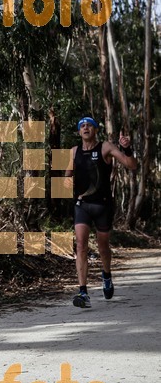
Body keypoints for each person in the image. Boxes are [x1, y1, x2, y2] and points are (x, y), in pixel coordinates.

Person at [65, 116, 137, 308]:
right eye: (82, 126)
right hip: (82, 205)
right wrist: (66, 183)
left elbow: (132, 165)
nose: (85, 127)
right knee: (81, 245)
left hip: (103, 206)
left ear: (96, 130)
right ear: (79, 132)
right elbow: (66, 177)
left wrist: (126, 148)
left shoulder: (105, 147)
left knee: (103, 247)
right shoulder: (73, 152)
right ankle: (83, 292)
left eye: (89, 125)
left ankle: (106, 275)